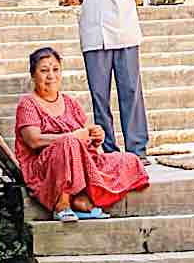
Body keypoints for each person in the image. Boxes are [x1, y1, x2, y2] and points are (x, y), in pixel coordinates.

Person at [15, 46, 149, 220]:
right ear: (33, 75)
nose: (51, 76)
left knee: (128, 160)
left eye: (56, 70)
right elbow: (33, 140)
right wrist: (70, 138)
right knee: (69, 143)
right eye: (44, 71)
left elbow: (85, 135)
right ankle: (62, 204)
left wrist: (95, 135)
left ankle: (80, 198)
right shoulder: (28, 104)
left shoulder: (70, 103)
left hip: (80, 162)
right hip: (47, 167)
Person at [67, 0, 150, 163]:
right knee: (99, 97)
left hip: (125, 33)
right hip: (93, 37)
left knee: (131, 93)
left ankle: (137, 150)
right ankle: (110, 151)